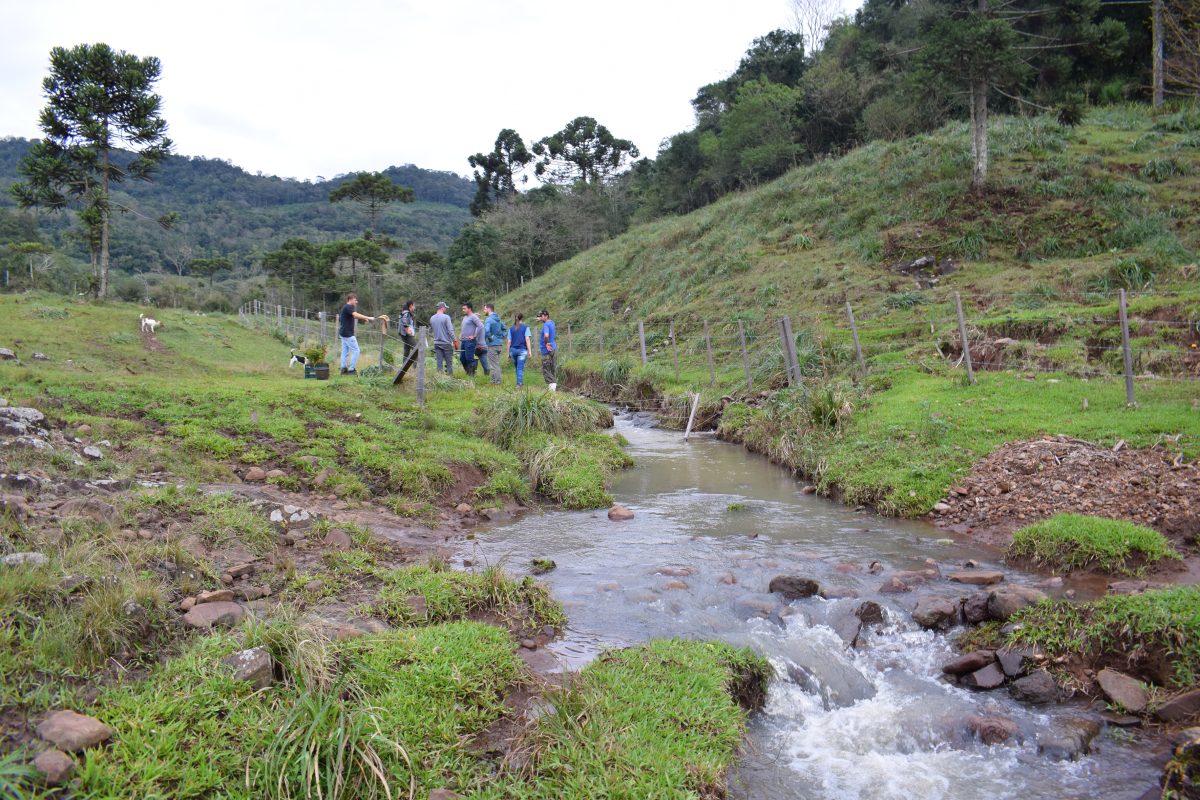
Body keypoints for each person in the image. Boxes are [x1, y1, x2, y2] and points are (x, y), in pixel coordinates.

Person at [338, 293, 374, 375]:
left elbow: (354, 316)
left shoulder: (346, 307)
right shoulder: (348, 307)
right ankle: (351, 369)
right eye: (355, 300)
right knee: (356, 351)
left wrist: (364, 318)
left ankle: (343, 369)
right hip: (348, 334)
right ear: (350, 299)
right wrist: (368, 317)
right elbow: (355, 314)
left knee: (345, 352)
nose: (356, 302)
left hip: (343, 333)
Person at [482, 303, 506, 385]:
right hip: (499, 344)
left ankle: (497, 383)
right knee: (496, 364)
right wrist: (501, 337)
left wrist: (490, 338)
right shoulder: (498, 318)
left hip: (492, 345)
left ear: (489, 309)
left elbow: (487, 331)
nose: (483, 311)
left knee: (494, 365)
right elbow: (504, 328)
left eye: (484, 309)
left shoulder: (488, 319)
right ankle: (494, 381)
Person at [507, 313, 532, 387]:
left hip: (513, 351)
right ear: (522, 318)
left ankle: (520, 382)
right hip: (522, 351)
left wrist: (508, 353)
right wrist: (530, 351)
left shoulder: (511, 328)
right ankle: (519, 384)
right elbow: (527, 339)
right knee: (520, 368)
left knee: (517, 368)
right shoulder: (526, 327)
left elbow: (509, 341)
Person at [459, 303, 484, 376]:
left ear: (469, 309)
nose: (463, 310)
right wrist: (461, 334)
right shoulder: (465, 317)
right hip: (463, 341)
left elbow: (480, 326)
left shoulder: (473, 317)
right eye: (462, 309)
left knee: (469, 358)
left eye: (464, 308)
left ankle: (472, 375)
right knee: (462, 358)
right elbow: (464, 327)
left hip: (470, 342)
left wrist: (474, 336)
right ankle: (468, 373)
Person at [431, 302, 454, 376]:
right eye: (445, 308)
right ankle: (450, 378)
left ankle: (440, 378)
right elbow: (450, 330)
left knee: (439, 362)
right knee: (449, 362)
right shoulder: (446, 317)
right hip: (446, 343)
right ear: (442, 308)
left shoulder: (432, 318)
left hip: (436, 343)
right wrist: (454, 340)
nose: (446, 309)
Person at [537, 309, 557, 391]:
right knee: (552, 368)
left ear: (546, 316)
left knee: (546, 369)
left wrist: (546, 343)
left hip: (546, 350)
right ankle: (554, 386)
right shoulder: (552, 322)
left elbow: (546, 335)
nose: (540, 317)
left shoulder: (545, 326)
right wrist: (540, 319)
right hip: (553, 348)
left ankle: (552, 390)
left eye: (541, 316)